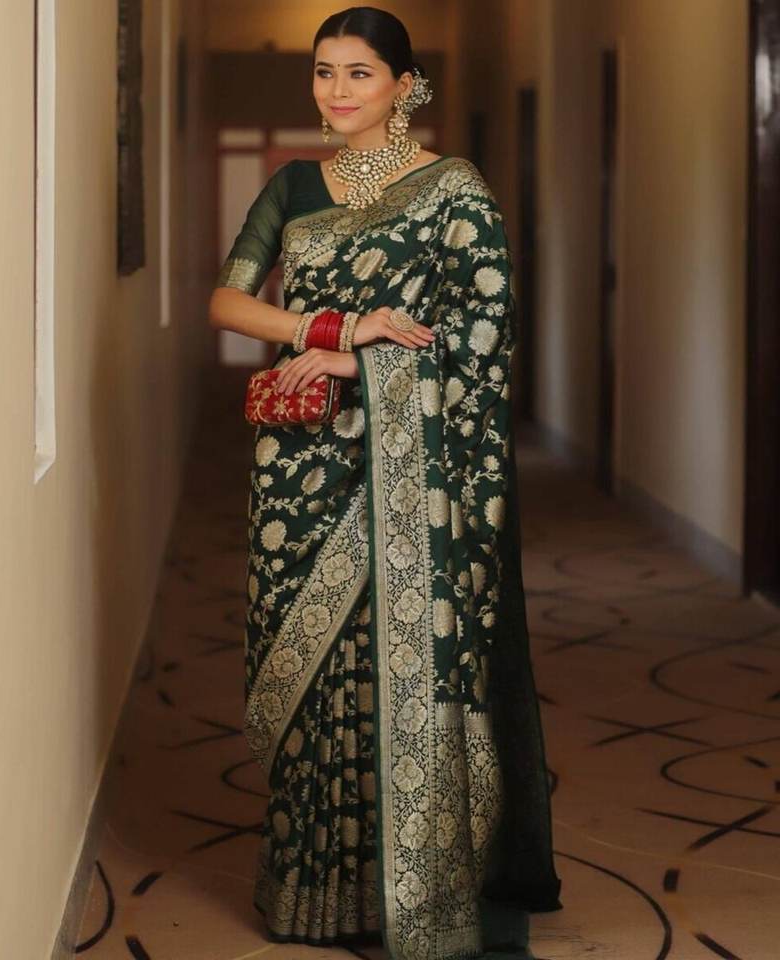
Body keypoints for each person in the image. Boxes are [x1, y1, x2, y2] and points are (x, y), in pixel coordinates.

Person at [208, 7, 563, 959]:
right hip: (299, 468)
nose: (337, 90)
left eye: (359, 73)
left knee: (405, 667)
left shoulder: (455, 191)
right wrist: (333, 331)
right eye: (325, 71)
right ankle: (314, 896)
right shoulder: (293, 185)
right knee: (306, 678)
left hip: (417, 474)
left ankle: (415, 891)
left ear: (405, 86)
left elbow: (484, 336)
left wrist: (364, 364)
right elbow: (228, 300)